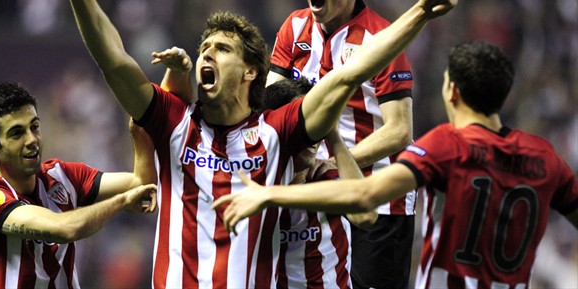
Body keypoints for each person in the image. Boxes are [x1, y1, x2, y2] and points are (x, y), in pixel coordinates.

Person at [46, 0, 461, 288]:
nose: (207, 52)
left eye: (222, 49)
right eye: (204, 47)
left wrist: (421, 11)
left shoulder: (278, 134)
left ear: (251, 73)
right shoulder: (175, 122)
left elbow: (349, 75)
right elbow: (114, 61)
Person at [213, 40, 578, 289]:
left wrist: (270, 195)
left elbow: (366, 195)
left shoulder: (446, 146)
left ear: (451, 91)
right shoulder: (544, 156)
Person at [268, 0, 416, 288]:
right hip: (319, 193)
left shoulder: (380, 41)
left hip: (380, 198)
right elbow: (271, 103)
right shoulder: (295, 26)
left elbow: (399, 131)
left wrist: (337, 162)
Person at [0, 82, 157, 289]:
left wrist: (140, 129)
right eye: (17, 133)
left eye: (34, 127)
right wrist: (122, 202)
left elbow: (141, 183)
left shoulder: (61, 176)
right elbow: (64, 229)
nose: (32, 140)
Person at [265, 78, 377, 288]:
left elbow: (366, 215)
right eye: (304, 125)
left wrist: (332, 133)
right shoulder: (256, 181)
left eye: (316, 123)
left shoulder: (326, 176)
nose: (313, 136)